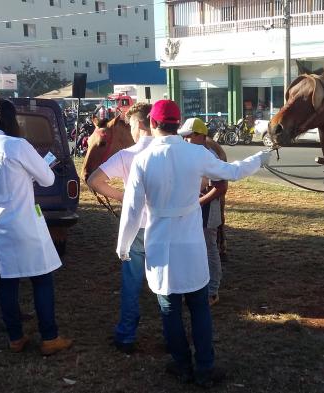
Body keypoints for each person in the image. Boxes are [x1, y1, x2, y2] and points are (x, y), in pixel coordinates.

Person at [116, 100, 271, 387]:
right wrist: (260, 158)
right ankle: (205, 366)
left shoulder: (143, 160)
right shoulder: (196, 153)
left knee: (169, 310)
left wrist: (123, 246)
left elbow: (132, 210)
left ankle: (183, 364)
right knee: (199, 307)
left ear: (153, 123)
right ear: (179, 124)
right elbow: (233, 171)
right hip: (190, 242)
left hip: (161, 243)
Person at [0, 97, 72, 355]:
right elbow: (47, 178)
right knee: (41, 278)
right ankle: (49, 337)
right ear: (12, 120)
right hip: (24, 224)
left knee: (7, 281)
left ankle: (15, 338)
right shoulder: (18, 145)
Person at [86, 102, 154, 354]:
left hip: (136, 228)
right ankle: (173, 334)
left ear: (137, 125)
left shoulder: (128, 156)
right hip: (165, 228)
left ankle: (126, 335)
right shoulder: (172, 153)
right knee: (168, 284)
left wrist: (123, 197)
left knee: (131, 283)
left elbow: (95, 180)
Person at [178, 117, 227, 306]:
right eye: (184, 137)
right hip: (192, 210)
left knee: (209, 249)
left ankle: (213, 291)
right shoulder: (188, 154)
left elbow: (221, 187)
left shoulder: (209, 156)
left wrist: (199, 202)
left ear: (200, 136)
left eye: (188, 137)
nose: (185, 140)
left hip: (207, 211)